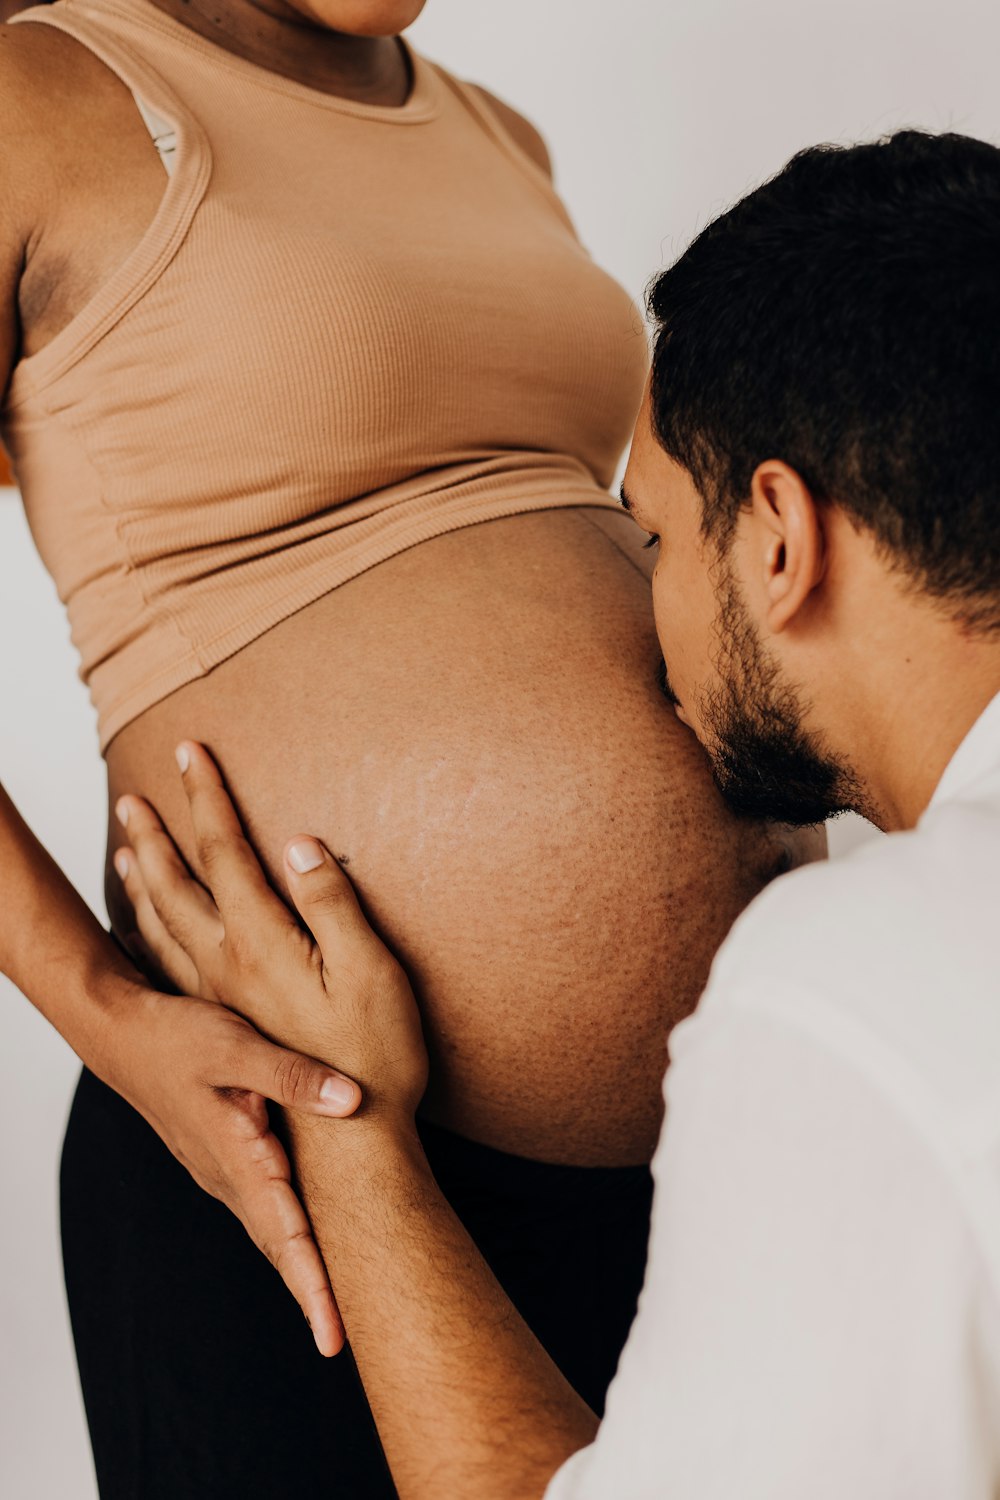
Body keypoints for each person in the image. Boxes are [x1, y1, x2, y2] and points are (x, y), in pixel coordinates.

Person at [0, 0, 825, 1493]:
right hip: (286, 1130)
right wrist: (116, 1025)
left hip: (710, 1157)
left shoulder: (499, 136)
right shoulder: (39, 93)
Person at [118, 126, 1000, 1498]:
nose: (641, 618)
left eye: (650, 535)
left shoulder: (870, 985)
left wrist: (353, 1136)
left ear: (780, 537)